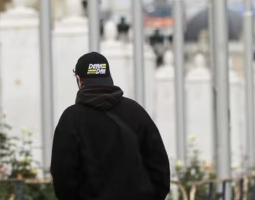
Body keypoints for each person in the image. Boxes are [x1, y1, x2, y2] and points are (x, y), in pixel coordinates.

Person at [51, 52, 170, 200]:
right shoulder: (136, 112)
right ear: (109, 78)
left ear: (79, 80)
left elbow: (62, 176)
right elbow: (159, 167)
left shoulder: (71, 118)